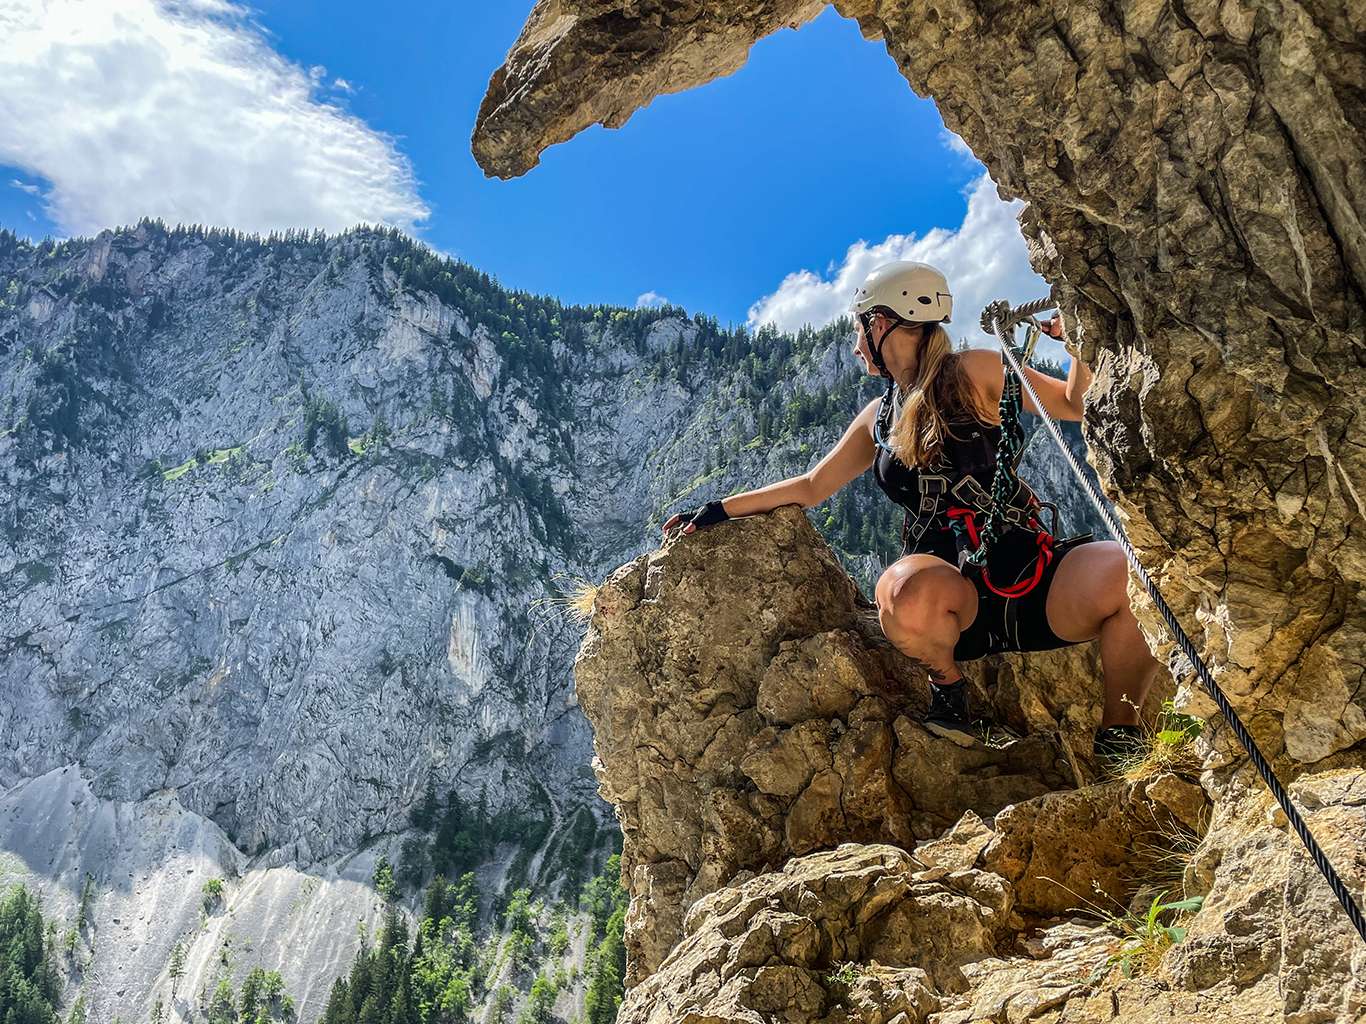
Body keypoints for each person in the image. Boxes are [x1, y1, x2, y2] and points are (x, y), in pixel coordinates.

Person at [664, 261, 1157, 765]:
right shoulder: (877, 419)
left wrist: (1078, 339)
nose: (856, 345)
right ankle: (948, 687)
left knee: (1134, 574)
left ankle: (1121, 731)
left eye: (858, 328)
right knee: (899, 593)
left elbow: (1073, 404)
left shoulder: (976, 371)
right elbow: (812, 487)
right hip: (946, 597)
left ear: (881, 323)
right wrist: (719, 509)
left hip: (1030, 574)